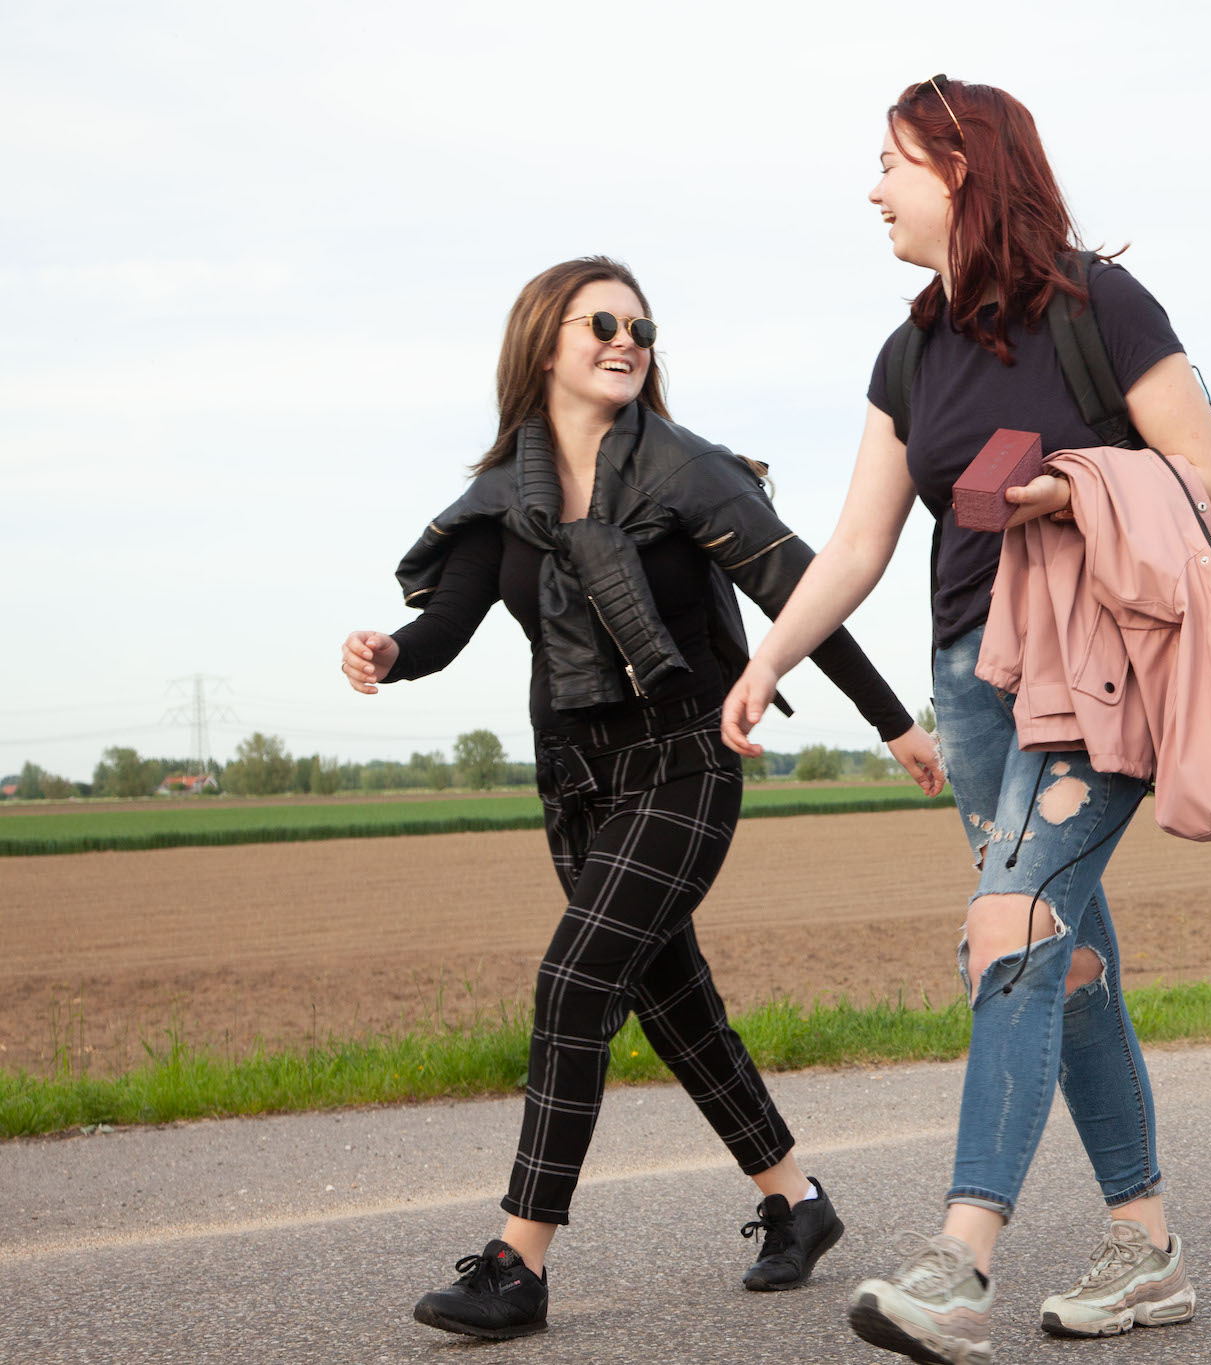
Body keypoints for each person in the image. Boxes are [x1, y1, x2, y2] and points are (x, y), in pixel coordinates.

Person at [718, 77, 1211, 1361]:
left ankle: (960, 1262)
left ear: (963, 168)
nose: (873, 189)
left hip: (1091, 672)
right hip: (973, 681)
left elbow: (1207, 480)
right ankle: (1147, 1248)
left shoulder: (1101, 305)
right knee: (1064, 959)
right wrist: (767, 655)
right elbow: (856, 542)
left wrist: (1070, 487)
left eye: (891, 162)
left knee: (1007, 929)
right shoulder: (909, 351)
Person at [339, 256, 943, 1340]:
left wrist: (892, 721)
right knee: (674, 1005)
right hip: (576, 781)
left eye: (640, 327)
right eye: (602, 323)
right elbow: (447, 624)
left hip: (684, 762)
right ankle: (797, 1202)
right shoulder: (503, 498)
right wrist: (390, 650)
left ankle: (517, 1265)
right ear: (544, 343)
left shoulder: (687, 471)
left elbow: (805, 595)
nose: (627, 341)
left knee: (575, 982)